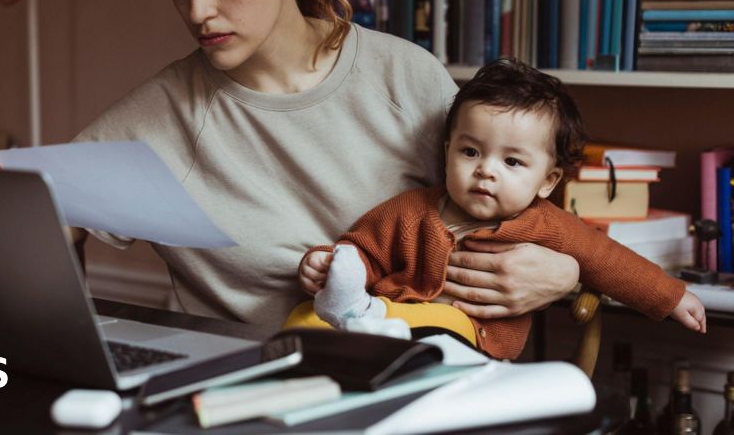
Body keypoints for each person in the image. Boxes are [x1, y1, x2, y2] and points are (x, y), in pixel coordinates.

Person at [0, 0, 581, 330]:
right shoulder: (162, 113)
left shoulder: (406, 78)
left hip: (409, 382)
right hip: (231, 395)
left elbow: (507, 211)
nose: (198, 9)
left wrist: (565, 273)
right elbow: (36, 226)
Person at [291, 59, 706, 359]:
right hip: (385, 323)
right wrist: (329, 265)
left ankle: (369, 327)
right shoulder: (410, 210)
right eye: (471, 151)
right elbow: (362, 249)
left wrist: (670, 297)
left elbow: (609, 261)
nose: (486, 171)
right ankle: (349, 321)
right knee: (302, 318)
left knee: (442, 326)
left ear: (547, 181)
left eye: (512, 162)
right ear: (447, 151)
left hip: (471, 338)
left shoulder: (548, 225)